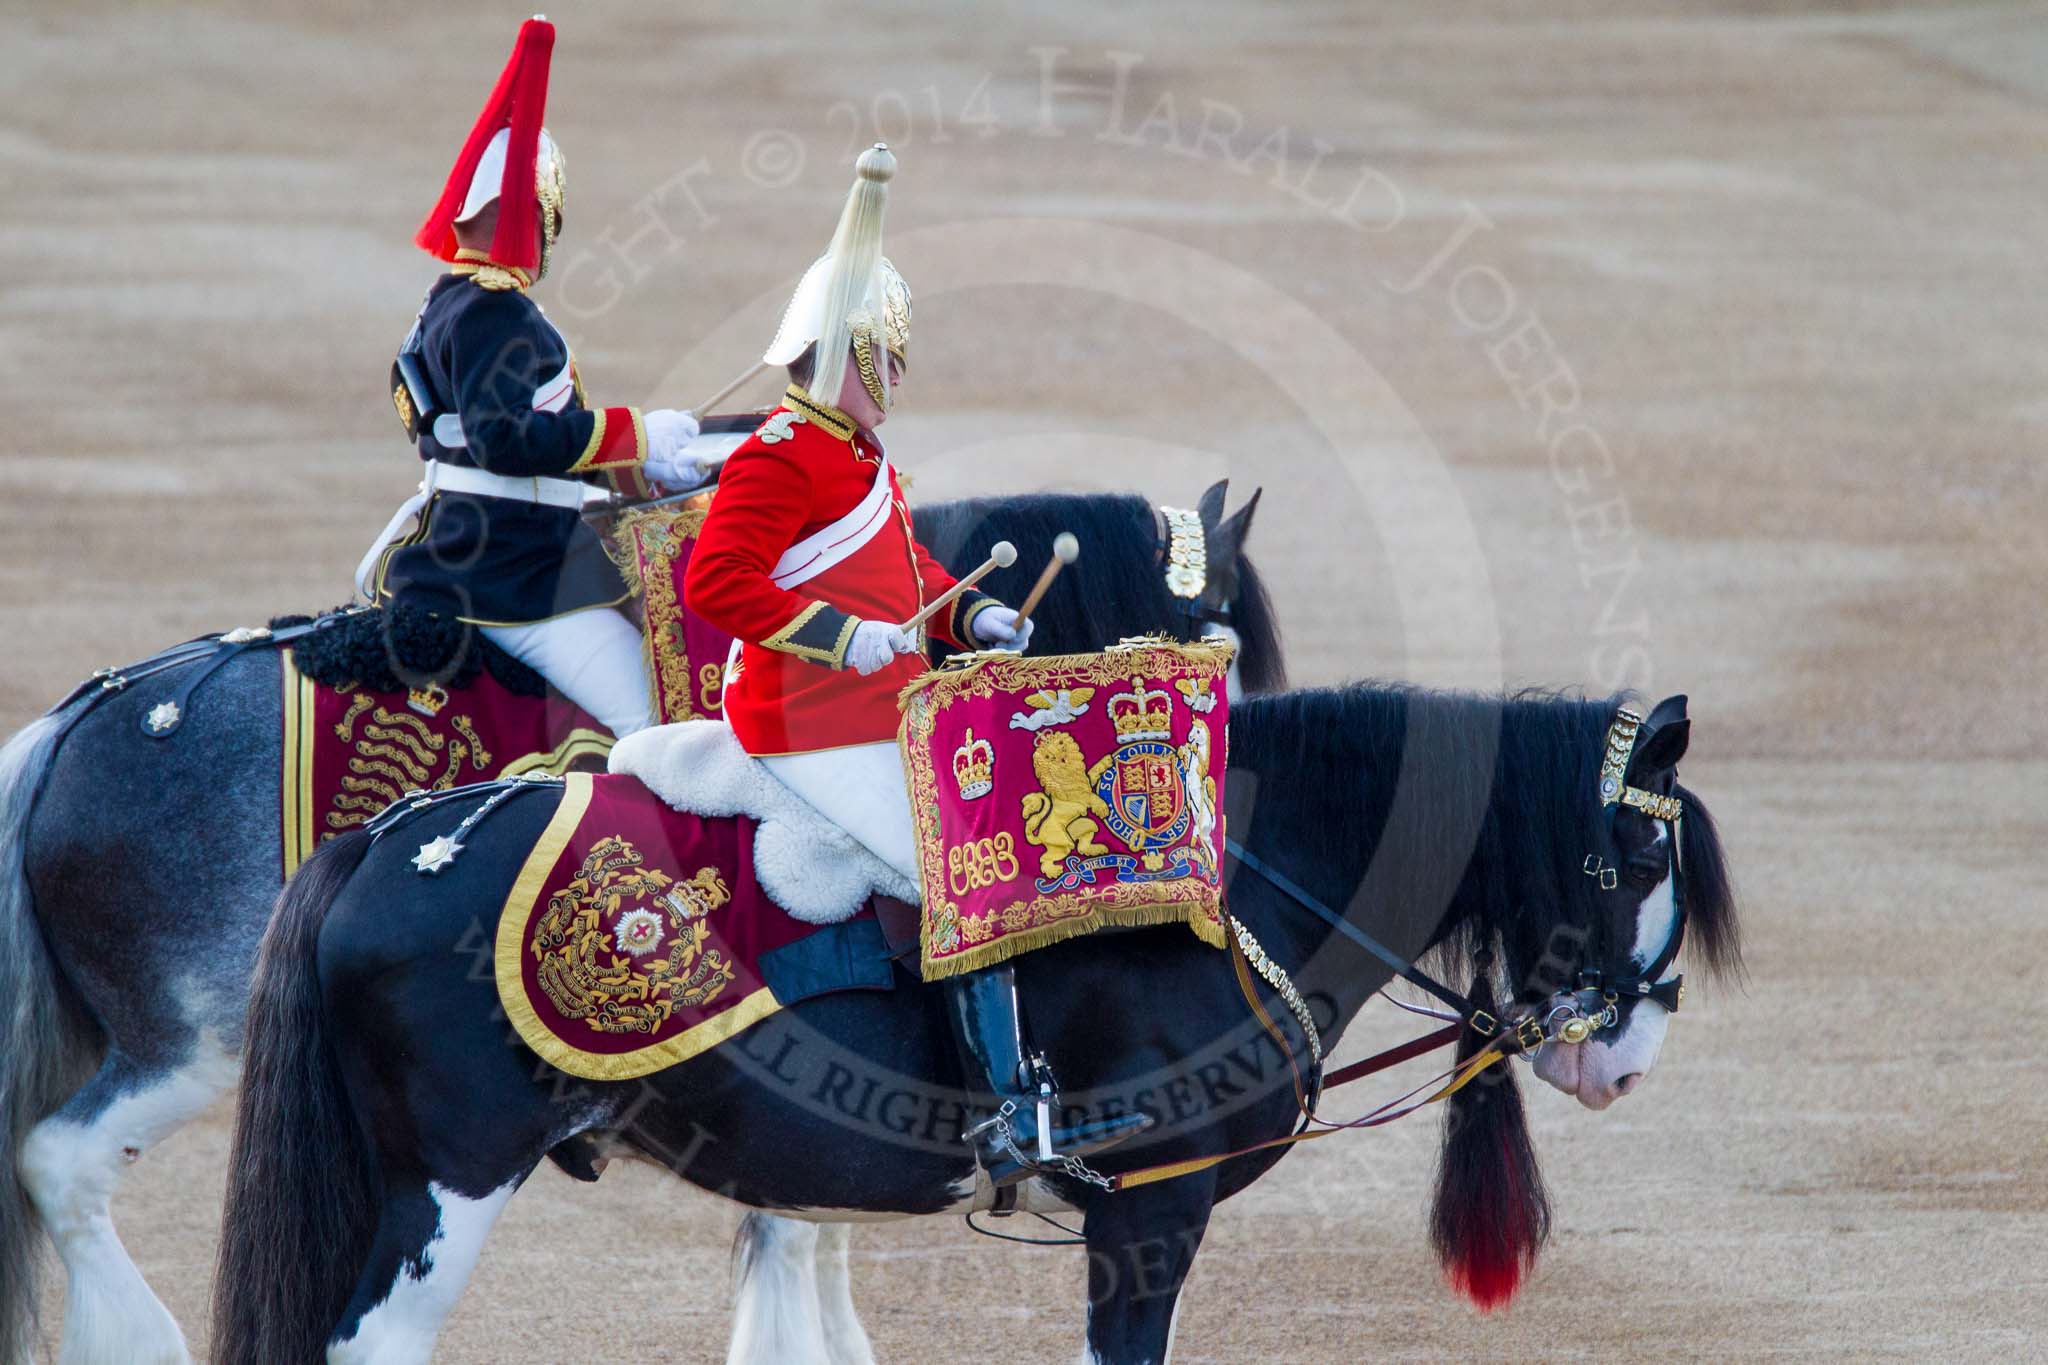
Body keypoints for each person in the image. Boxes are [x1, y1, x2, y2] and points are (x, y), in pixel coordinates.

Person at [685, 144, 1150, 1186]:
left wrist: (971, 617)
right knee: (959, 863)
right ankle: (1001, 1114)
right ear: (837, 352)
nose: (896, 378)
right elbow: (715, 586)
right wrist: (846, 639)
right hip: (803, 716)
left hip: (875, 701)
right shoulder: (778, 455)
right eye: (883, 358)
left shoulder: (855, 455)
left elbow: (909, 571)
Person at [358, 17, 708, 738]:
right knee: (658, 721)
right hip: (512, 573)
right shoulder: (497, 315)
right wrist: (634, 432)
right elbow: (504, 441)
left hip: (469, 541)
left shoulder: (447, 300)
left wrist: (626, 467)